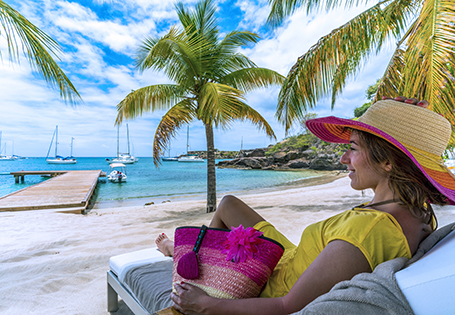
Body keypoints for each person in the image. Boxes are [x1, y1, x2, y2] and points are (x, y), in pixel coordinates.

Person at [156, 97, 455, 315]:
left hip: (273, 278)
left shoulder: (370, 229)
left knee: (226, 210)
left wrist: (209, 305)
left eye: (352, 149)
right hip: (291, 256)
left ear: (388, 162)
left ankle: (185, 257)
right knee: (229, 203)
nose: (342, 159)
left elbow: (287, 306)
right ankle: (187, 252)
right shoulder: (417, 213)